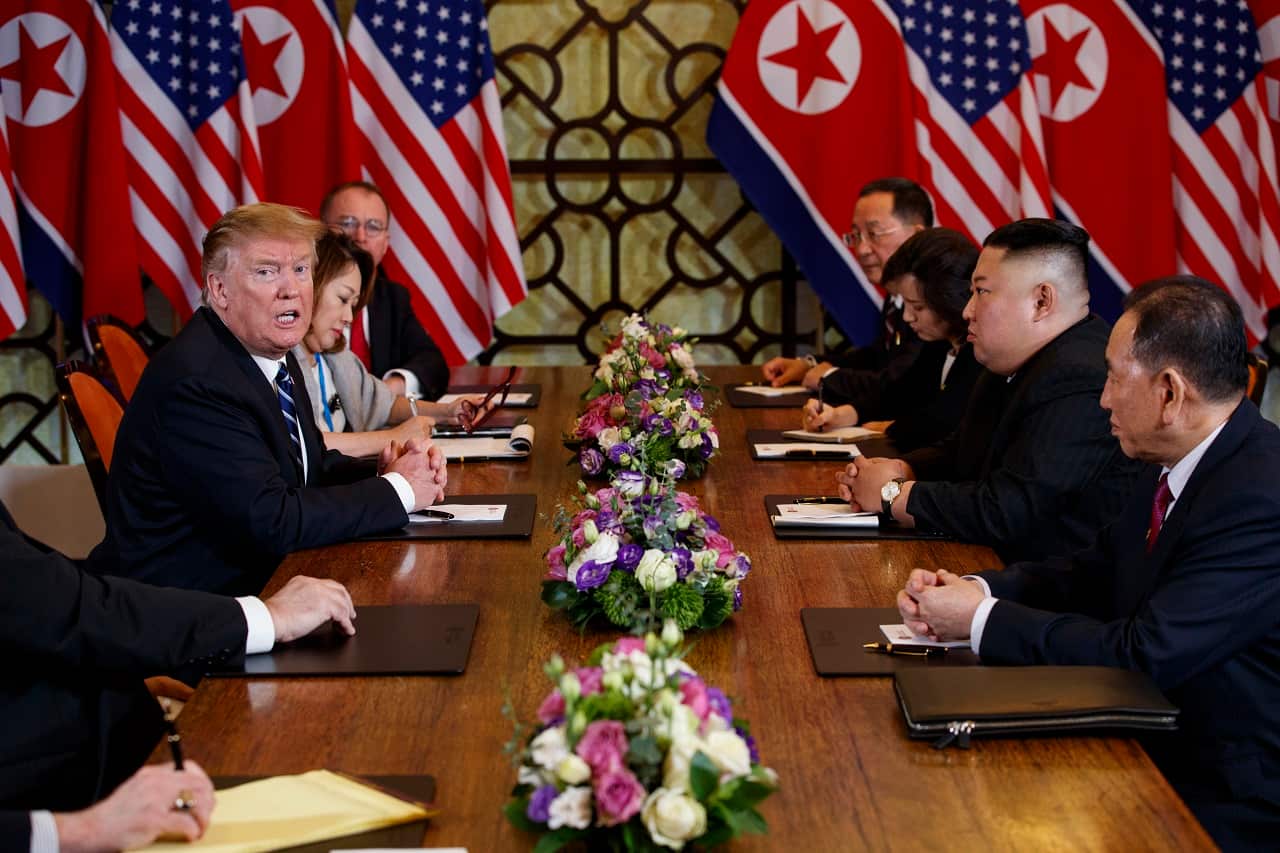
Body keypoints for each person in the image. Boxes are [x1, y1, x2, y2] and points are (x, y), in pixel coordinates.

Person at [896, 277, 1280, 850]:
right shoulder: (1183, 455)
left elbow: (1144, 654)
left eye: (1113, 377)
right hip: (1146, 732)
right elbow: (1092, 569)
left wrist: (981, 621)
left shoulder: (1259, 494)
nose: (1102, 399)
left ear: (1170, 393)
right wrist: (977, 587)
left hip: (1218, 787)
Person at [96, 203, 448, 597]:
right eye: (266, 272)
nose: (291, 289)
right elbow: (272, 522)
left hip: (263, 588)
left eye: (300, 270)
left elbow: (306, 465)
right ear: (220, 290)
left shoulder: (269, 353)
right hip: (188, 617)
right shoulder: (198, 382)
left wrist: (383, 472)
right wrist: (399, 490)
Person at [1, 500, 357, 831]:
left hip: (120, 694)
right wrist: (266, 618)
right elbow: (65, 606)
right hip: (63, 783)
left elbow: (36, 602)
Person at [837, 219, 1142, 564]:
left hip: (1047, 596)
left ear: (1041, 301)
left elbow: (1008, 510)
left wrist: (893, 495)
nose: (967, 311)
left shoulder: (1082, 377)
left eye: (981, 292)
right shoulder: (1015, 358)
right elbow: (962, 449)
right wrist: (901, 468)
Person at [294, 232, 486, 459]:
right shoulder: (278, 366)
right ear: (310, 287)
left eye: (354, 305)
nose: (349, 317)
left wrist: (446, 412)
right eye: (344, 299)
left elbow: (383, 404)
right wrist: (394, 437)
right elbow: (303, 444)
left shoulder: (337, 358)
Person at [801, 227, 982, 453]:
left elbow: (943, 422)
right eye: (904, 304)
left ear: (950, 300)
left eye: (918, 307)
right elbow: (902, 392)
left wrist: (892, 428)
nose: (907, 317)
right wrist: (842, 414)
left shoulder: (981, 354)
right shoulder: (938, 343)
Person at [761, 177, 930, 399]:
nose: (861, 249)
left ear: (916, 235)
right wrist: (810, 364)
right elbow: (877, 359)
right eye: (856, 236)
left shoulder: (931, 301)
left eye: (873, 234)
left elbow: (902, 384)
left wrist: (829, 376)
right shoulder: (895, 297)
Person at [319, 181, 450, 400]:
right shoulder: (305, 295)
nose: (360, 236)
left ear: (385, 243)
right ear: (322, 232)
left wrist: (388, 389)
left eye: (373, 226)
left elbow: (432, 363)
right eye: (348, 222)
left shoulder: (392, 298)